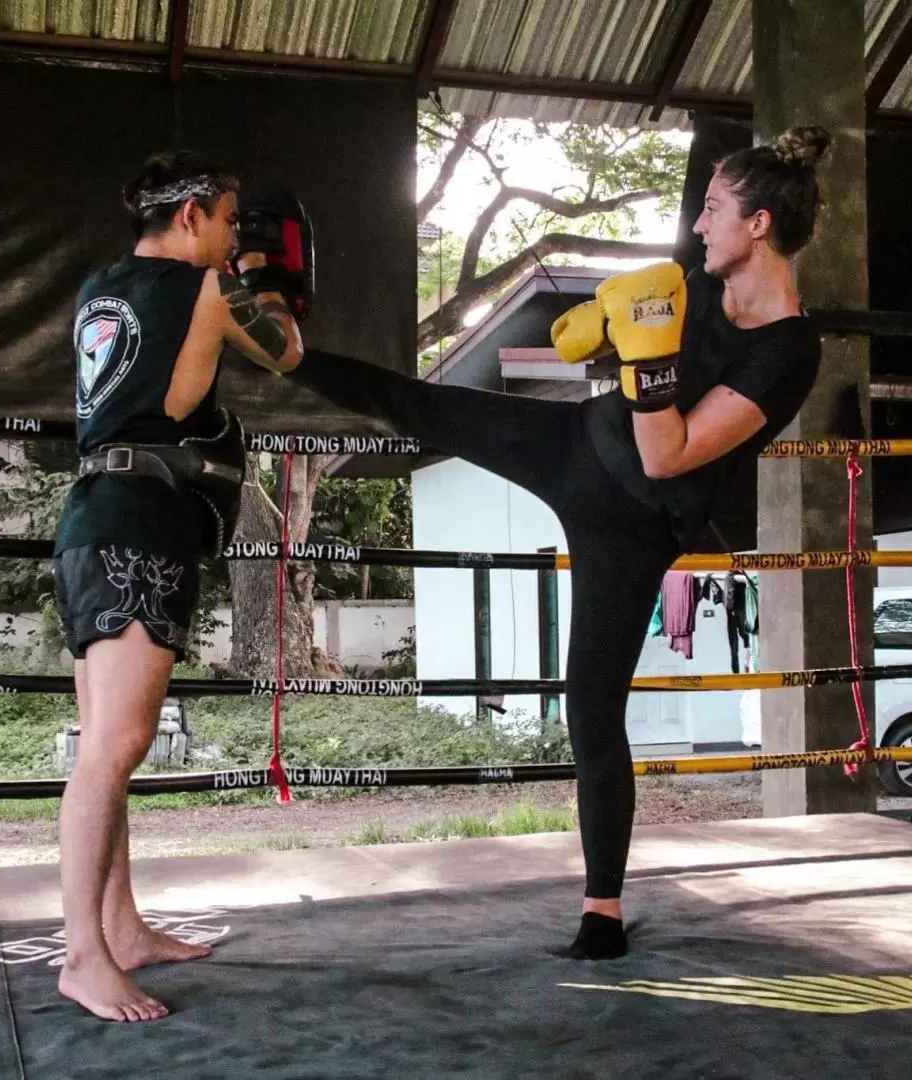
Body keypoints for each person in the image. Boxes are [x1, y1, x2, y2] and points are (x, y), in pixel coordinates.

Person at [286, 125, 831, 960]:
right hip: (579, 442)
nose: (698, 226)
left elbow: (669, 452)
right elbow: (623, 352)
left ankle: (601, 912)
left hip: (637, 519)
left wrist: (643, 357)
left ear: (759, 225)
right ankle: (285, 355)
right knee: (426, 406)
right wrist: (602, 333)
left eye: (715, 211)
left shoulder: (789, 352)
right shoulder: (688, 281)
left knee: (590, 704)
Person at [51, 151, 306, 1022]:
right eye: (230, 221)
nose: (234, 236)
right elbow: (285, 351)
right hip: (136, 522)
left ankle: (120, 929)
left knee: (106, 741)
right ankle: (84, 955)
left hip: (97, 511)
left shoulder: (101, 288)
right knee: (115, 745)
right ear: (193, 216)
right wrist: (264, 276)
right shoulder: (204, 288)